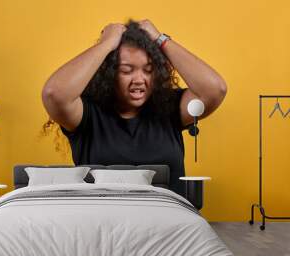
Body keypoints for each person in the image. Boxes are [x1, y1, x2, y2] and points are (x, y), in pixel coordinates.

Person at [41, 19, 227, 197]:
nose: (139, 80)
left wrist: (160, 39)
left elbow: (215, 89)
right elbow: (54, 94)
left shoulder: (169, 108)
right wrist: (106, 45)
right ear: (110, 74)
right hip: (103, 222)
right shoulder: (87, 114)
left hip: (166, 222)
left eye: (148, 70)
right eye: (126, 70)